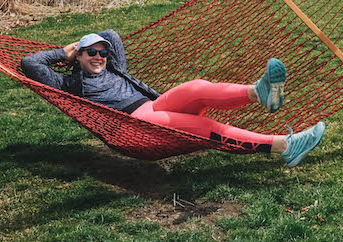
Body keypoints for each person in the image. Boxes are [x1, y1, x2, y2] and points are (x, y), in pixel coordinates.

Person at [19, 30, 326, 167]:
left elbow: (111, 34)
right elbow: (30, 64)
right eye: (91, 53)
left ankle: (258, 93)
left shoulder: (115, 68)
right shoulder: (70, 83)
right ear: (80, 57)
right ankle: (284, 146)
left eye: (101, 52)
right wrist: (65, 52)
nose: (99, 56)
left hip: (154, 105)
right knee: (206, 128)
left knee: (196, 86)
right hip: (136, 125)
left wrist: (93, 40)